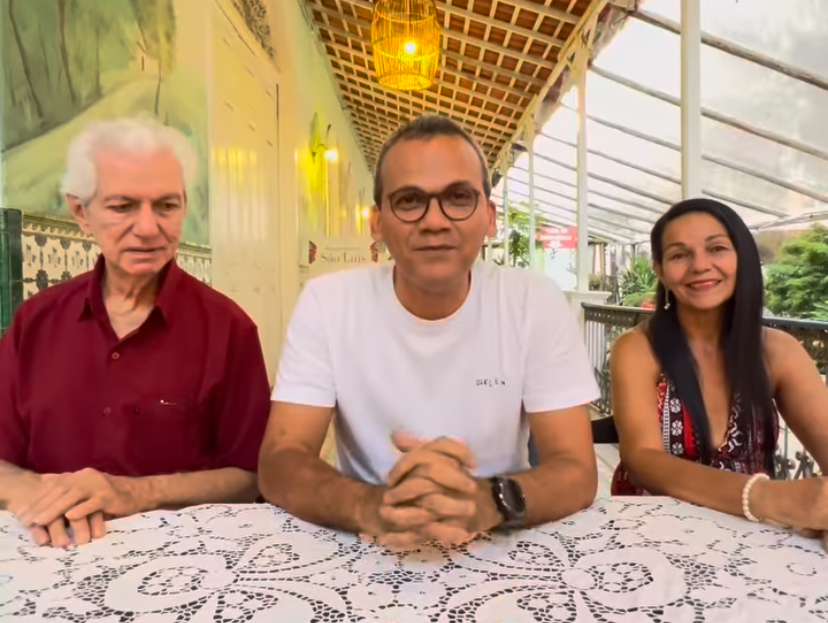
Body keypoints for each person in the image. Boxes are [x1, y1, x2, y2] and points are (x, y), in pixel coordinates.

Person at [259, 115, 600, 551]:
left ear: (490, 218)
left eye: (458, 197)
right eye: (409, 200)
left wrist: (486, 500)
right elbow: (281, 461)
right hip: (364, 545)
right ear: (377, 223)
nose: (435, 221)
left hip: (501, 538)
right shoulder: (328, 302)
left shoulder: (533, 301)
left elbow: (576, 469)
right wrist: (374, 505)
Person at [0, 117, 271, 547]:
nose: (148, 228)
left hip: (180, 563)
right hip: (50, 554)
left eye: (166, 206)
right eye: (123, 206)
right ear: (81, 213)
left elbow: (250, 477)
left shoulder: (229, 329)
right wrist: (41, 497)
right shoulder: (35, 321)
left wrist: (132, 493)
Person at [610, 198, 828, 534]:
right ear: (660, 269)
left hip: (752, 543)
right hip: (650, 538)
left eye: (717, 248)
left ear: (742, 257)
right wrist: (765, 497)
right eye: (680, 255)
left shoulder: (777, 351)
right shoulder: (638, 348)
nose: (700, 265)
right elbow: (642, 460)